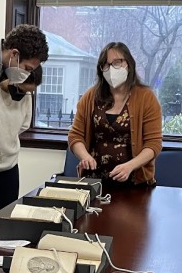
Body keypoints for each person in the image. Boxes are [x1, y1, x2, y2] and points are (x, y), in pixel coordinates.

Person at [0, 24, 50, 214]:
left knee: (7, 217)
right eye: (20, 90)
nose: (21, 96)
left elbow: (23, 125)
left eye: (27, 94)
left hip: (9, 166)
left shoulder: (26, 95)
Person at [68, 42, 162, 186]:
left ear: (128, 64)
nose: (111, 69)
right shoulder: (90, 97)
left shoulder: (146, 97)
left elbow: (153, 144)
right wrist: (85, 156)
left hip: (134, 181)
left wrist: (130, 166)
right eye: (106, 65)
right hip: (94, 180)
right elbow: (75, 136)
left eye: (117, 62)